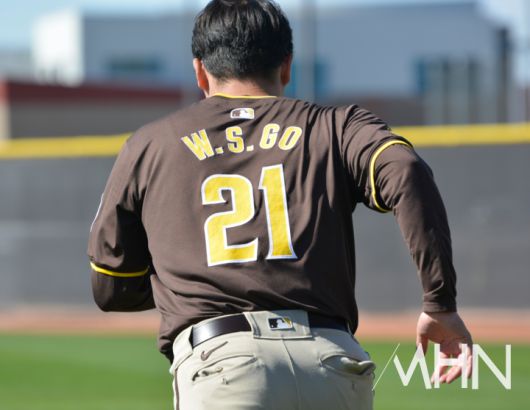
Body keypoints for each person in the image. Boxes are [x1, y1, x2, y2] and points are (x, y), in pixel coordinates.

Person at [88, 1, 473, 409]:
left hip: (224, 366)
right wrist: (440, 303)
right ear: (287, 65)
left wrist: (187, 279)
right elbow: (407, 170)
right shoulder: (338, 127)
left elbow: (111, 287)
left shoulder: (150, 145)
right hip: (332, 362)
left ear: (199, 71)